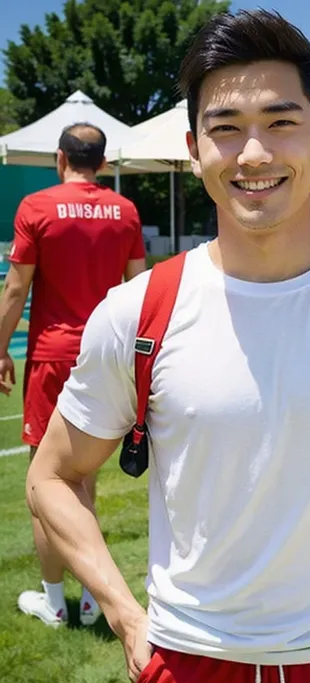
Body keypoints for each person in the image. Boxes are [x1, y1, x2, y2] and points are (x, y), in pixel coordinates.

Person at [25, 11, 310, 683]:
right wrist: (123, 612)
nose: (254, 153)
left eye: (281, 121)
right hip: (187, 670)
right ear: (195, 147)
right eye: (226, 127)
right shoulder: (139, 312)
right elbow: (52, 475)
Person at [0, 123, 146, 628]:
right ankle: (90, 598)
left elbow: (16, 290)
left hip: (53, 353)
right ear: (102, 164)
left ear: (60, 158)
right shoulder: (124, 210)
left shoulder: (36, 207)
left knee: (47, 481)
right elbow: (138, 288)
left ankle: (56, 601)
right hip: (107, 353)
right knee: (81, 478)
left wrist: (0, 351)